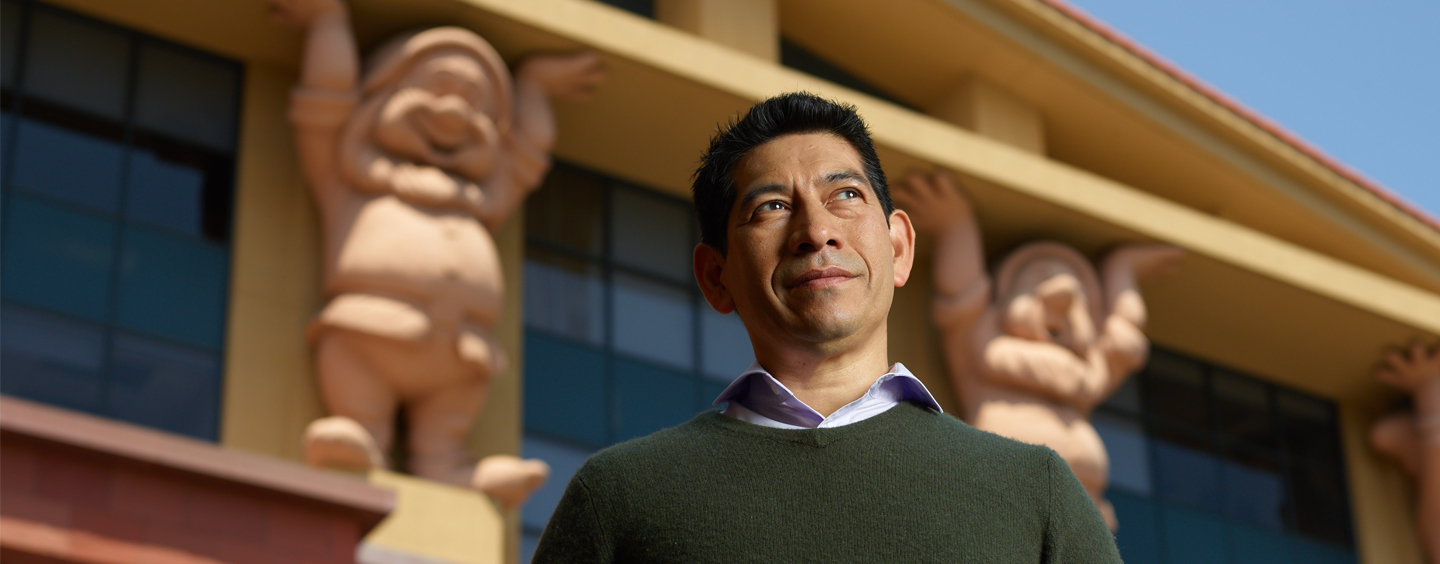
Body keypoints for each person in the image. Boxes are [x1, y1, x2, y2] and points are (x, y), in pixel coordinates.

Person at [531, 92, 1121, 563]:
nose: (817, 231)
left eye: (845, 194)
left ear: (899, 246)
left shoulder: (1035, 493)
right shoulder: (619, 497)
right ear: (715, 277)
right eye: (771, 207)